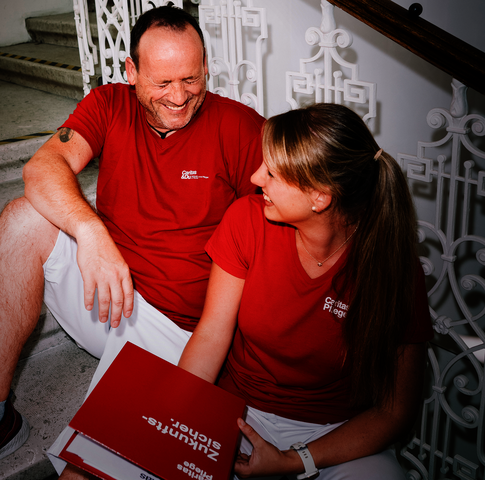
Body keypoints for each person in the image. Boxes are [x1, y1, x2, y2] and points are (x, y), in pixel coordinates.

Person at [0, 6, 265, 480]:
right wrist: (91, 231)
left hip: (185, 337)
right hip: (109, 297)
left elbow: (272, 241)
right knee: (21, 218)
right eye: (162, 83)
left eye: (192, 79)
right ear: (131, 71)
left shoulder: (241, 127)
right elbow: (41, 168)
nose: (179, 97)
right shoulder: (108, 104)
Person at [178, 103, 433, 479]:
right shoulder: (246, 219)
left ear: (320, 197)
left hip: (335, 433)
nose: (254, 177)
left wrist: (296, 460)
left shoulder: (392, 265)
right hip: (241, 414)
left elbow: (395, 411)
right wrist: (171, 417)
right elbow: (212, 334)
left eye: (272, 172)